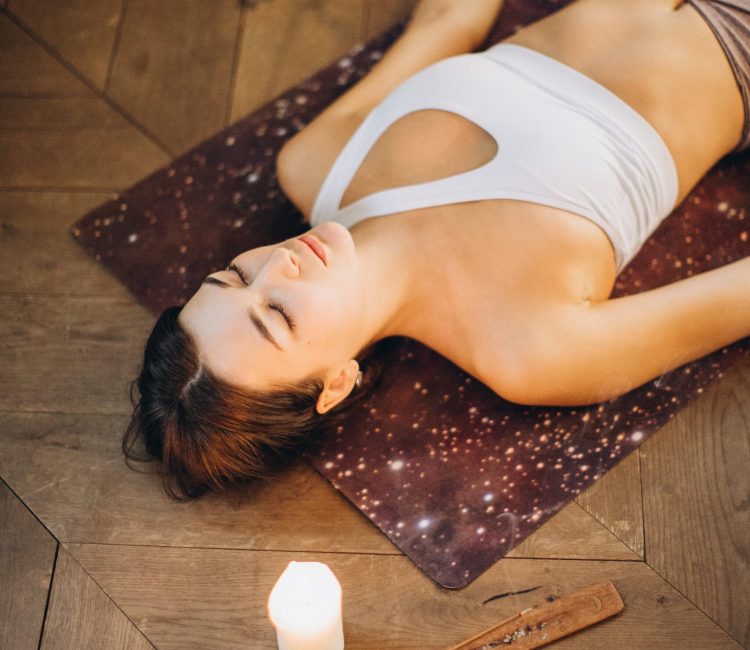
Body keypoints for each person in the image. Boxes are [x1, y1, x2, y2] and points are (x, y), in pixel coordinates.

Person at [124, 0, 750, 500]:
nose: (277, 264)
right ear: (336, 383)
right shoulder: (528, 350)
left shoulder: (315, 164)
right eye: (278, 316)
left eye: (234, 275)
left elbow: (450, 19)